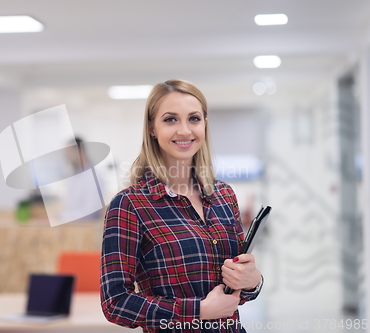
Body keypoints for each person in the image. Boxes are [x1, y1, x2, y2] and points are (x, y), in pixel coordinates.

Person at [100, 79, 263, 333]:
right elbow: (115, 303)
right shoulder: (130, 205)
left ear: (205, 125)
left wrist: (252, 281)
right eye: (170, 119)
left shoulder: (223, 195)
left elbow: (233, 294)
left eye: (194, 119)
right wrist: (199, 311)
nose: (185, 130)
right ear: (152, 128)